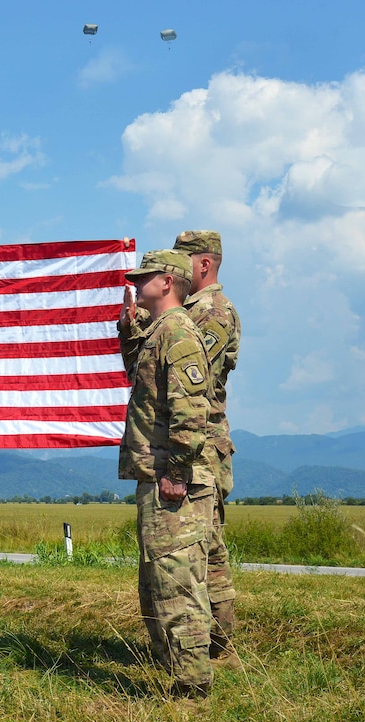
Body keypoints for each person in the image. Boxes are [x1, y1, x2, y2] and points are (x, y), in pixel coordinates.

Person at [118, 248, 214, 698]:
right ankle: (177, 673)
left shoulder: (177, 333)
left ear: (167, 282)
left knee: (177, 583)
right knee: (159, 580)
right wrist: (128, 327)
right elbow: (141, 380)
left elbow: (191, 411)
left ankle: (193, 686)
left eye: (144, 278)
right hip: (157, 475)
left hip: (173, 480)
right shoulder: (158, 332)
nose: (136, 285)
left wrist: (176, 468)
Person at [173, 230, 241, 661]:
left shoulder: (212, 313)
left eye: (181, 262)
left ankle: (217, 646)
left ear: (203, 264)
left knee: (206, 549)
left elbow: (192, 378)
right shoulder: (187, 312)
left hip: (202, 445)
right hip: (194, 442)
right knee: (198, 546)